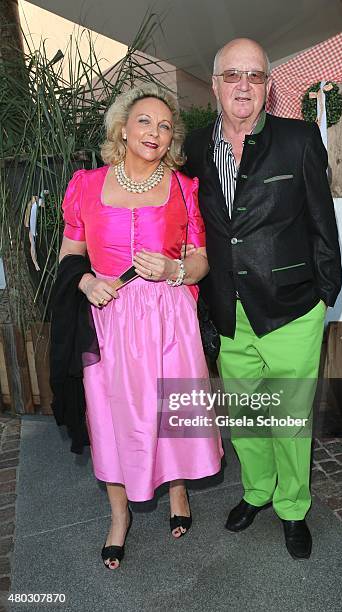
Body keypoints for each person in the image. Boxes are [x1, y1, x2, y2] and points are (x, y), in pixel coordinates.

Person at [183, 38, 342, 559]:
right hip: (230, 309)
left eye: (254, 75)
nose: (244, 85)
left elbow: (323, 222)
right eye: (233, 75)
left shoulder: (298, 140)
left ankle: (293, 507)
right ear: (215, 85)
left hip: (293, 309)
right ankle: (258, 491)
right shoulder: (197, 146)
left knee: (291, 419)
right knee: (248, 417)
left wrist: (324, 293)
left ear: (269, 86)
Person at [57, 83, 223, 570]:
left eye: (165, 125)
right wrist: (87, 283)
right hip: (108, 320)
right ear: (123, 128)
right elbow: (70, 254)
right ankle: (118, 516)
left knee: (171, 411)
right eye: (145, 121)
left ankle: (177, 492)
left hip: (169, 316)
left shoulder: (183, 188)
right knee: (109, 419)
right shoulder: (85, 185)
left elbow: (201, 260)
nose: (155, 131)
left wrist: (173, 270)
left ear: (172, 139)